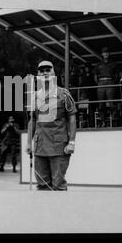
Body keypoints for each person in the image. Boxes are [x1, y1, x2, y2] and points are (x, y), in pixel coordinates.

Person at [26, 60, 77, 191]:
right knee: (42, 184)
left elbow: (72, 117)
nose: (45, 73)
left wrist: (72, 142)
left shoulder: (63, 94)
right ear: (38, 74)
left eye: (48, 70)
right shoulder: (35, 96)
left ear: (54, 72)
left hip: (58, 146)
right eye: (41, 71)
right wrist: (28, 143)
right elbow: (32, 120)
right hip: (40, 145)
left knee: (58, 184)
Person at [93, 47, 117, 127]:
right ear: (102, 54)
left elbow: (117, 75)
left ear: (109, 54)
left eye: (107, 52)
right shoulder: (98, 64)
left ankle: (113, 120)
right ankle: (103, 121)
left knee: (111, 102)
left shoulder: (113, 63)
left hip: (110, 82)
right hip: (101, 83)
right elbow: (95, 76)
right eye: (104, 52)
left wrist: (112, 82)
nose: (106, 54)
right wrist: (100, 83)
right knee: (101, 103)